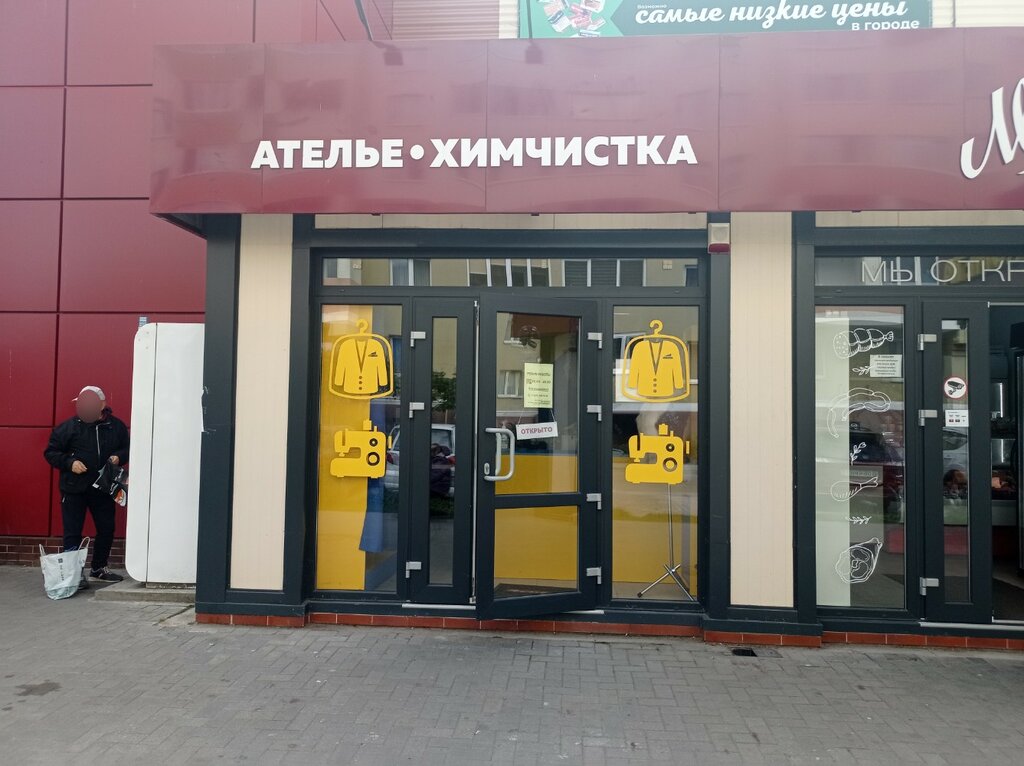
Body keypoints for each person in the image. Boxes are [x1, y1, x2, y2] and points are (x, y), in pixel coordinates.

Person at [44, 386, 130, 584]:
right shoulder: (68, 427)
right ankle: (73, 574)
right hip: (74, 488)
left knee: (106, 528)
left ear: (102, 404)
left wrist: (119, 457)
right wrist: (70, 463)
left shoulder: (116, 426)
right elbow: (51, 452)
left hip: (103, 487)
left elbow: (127, 448)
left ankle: (99, 568)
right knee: (72, 532)